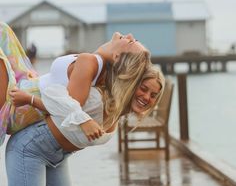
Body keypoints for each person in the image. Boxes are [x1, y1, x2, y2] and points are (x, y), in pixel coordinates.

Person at [0, 21, 148, 145]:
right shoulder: (98, 65)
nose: (129, 35)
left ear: (117, 56)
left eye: (131, 41)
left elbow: (66, 107)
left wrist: (29, 99)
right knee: (3, 30)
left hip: (17, 104)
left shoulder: (89, 62)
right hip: (28, 82)